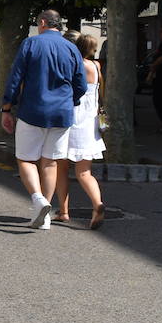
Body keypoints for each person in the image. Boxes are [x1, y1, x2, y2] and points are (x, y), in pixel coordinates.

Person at [0, 9, 87, 230]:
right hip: (62, 113)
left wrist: (6, 108)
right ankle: (45, 215)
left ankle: (38, 200)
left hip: (33, 110)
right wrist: (71, 101)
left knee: (26, 159)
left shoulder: (30, 44)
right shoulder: (71, 48)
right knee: (50, 162)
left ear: (42, 23)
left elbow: (15, 78)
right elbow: (81, 85)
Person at [55, 32, 107, 229]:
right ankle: (97, 203)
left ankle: (63, 211)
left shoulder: (76, 65)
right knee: (85, 172)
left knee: (61, 168)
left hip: (73, 120)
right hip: (90, 122)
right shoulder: (96, 65)